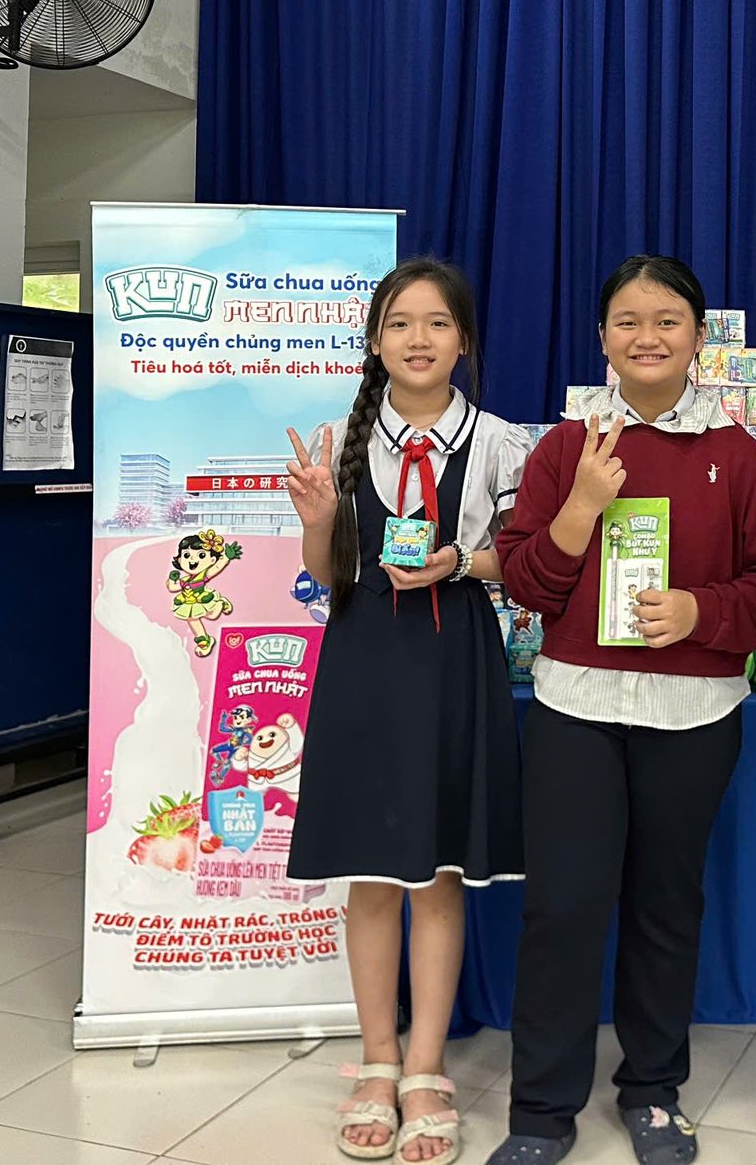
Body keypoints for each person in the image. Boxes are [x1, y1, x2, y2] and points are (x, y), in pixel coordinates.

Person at [487, 255, 756, 1165]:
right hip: (575, 709)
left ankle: (653, 1092)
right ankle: (541, 1111)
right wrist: (583, 505)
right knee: (563, 908)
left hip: (694, 712)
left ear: (700, 338)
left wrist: (702, 612)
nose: (648, 337)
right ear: (602, 338)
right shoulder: (565, 449)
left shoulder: (739, 455)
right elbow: (526, 583)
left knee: (667, 906)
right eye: (628, 320)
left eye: (668, 321)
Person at [284, 258, 531, 1165]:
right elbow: (329, 575)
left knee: (439, 872)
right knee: (373, 873)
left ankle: (427, 1066)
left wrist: (460, 560)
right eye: (399, 323)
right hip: (364, 660)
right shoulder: (342, 438)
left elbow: (525, 562)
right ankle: (378, 1060)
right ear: (375, 341)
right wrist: (317, 517)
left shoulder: (500, 442)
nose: (418, 339)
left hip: (452, 658)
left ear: (464, 340)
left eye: (436, 323)